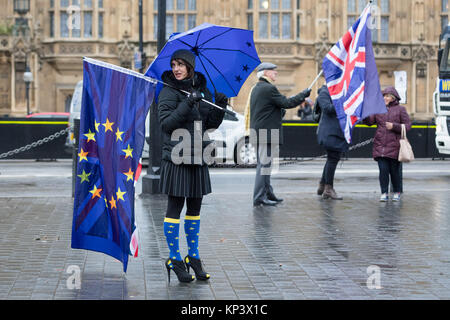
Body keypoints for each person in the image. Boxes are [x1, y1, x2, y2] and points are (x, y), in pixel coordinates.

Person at [157, 49, 227, 282]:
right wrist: (187, 102)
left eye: (181, 64)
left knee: (195, 209)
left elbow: (208, 124)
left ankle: (193, 257)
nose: (176, 68)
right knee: (175, 208)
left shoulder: (201, 90)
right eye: (174, 64)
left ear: (190, 67)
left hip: (198, 155)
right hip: (177, 157)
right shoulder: (168, 91)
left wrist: (220, 107)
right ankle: (175, 259)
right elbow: (166, 124)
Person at [249, 62, 311, 206]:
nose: (276, 72)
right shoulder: (268, 88)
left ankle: (267, 193)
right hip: (266, 133)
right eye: (273, 70)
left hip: (261, 132)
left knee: (265, 165)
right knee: (264, 166)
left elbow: (272, 108)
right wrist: (303, 95)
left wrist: (279, 109)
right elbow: (287, 103)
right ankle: (259, 197)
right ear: (265, 73)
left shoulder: (259, 88)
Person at [363, 86, 411, 202]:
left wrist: (394, 126)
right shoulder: (378, 109)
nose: (385, 98)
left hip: (394, 146)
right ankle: (384, 193)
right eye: (383, 96)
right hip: (380, 145)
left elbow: (408, 125)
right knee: (383, 171)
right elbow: (370, 122)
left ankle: (397, 192)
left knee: (394, 172)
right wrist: (364, 114)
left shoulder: (401, 109)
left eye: (387, 96)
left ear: (393, 98)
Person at [316, 84, 349, 200]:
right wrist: (345, 104)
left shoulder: (338, 91)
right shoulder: (324, 91)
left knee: (332, 158)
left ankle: (323, 185)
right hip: (329, 132)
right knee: (333, 158)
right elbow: (327, 108)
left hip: (336, 131)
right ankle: (328, 189)